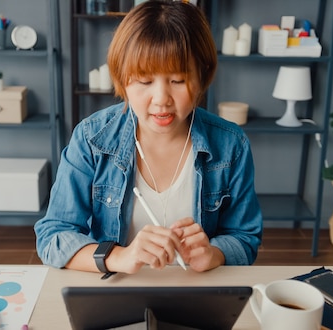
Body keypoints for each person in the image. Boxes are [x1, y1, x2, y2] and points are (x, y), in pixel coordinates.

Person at [34, 0, 262, 275]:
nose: (161, 100)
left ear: (202, 77)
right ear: (122, 79)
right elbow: (53, 237)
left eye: (177, 81)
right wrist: (119, 257)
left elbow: (245, 239)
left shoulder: (231, 145)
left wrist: (213, 254)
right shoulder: (92, 139)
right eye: (144, 81)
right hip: (115, 294)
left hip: (197, 294)